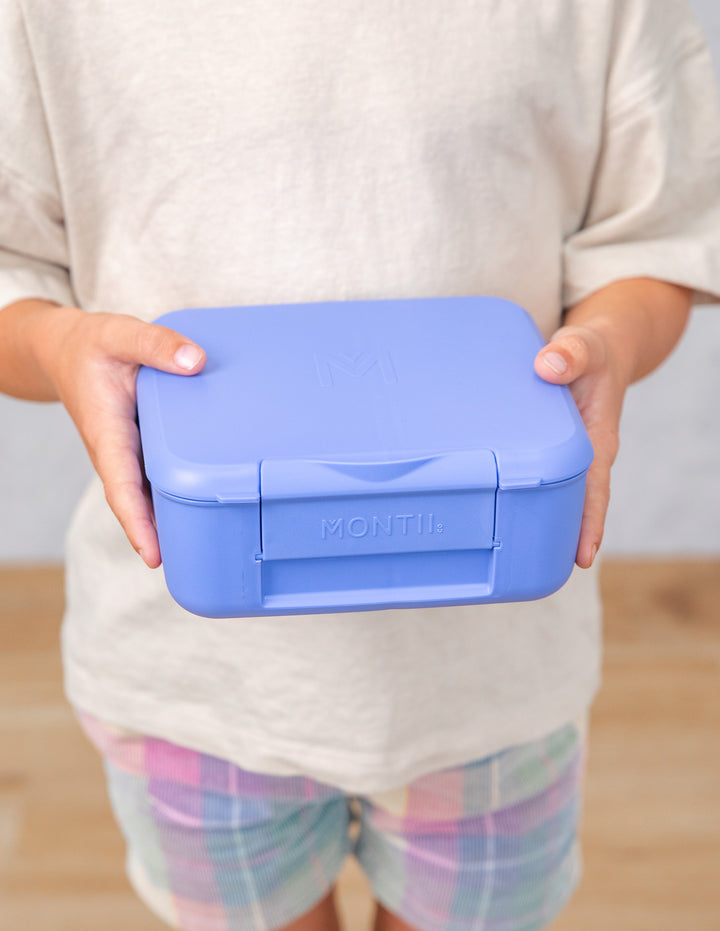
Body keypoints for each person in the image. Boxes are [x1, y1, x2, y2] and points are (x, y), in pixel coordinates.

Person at [2, 2, 719, 930]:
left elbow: (652, 236)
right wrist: (60, 346)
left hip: (491, 675)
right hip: (191, 677)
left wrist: (611, 342)